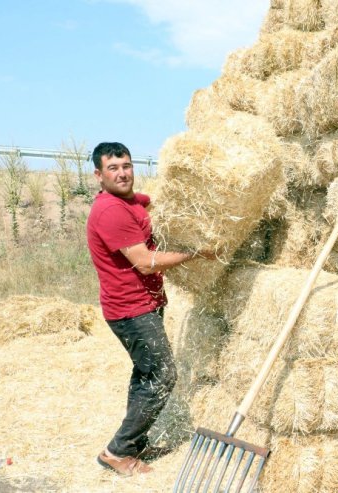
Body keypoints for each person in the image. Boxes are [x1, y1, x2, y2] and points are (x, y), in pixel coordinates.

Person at [86, 142, 213, 476]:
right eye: (113, 168)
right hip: (131, 310)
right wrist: (197, 253)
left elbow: (156, 203)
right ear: (99, 175)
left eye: (126, 165)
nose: (122, 173)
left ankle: (135, 442)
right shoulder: (110, 211)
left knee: (145, 373)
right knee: (162, 374)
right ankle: (117, 452)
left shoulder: (130, 202)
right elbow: (145, 263)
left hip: (145, 304)